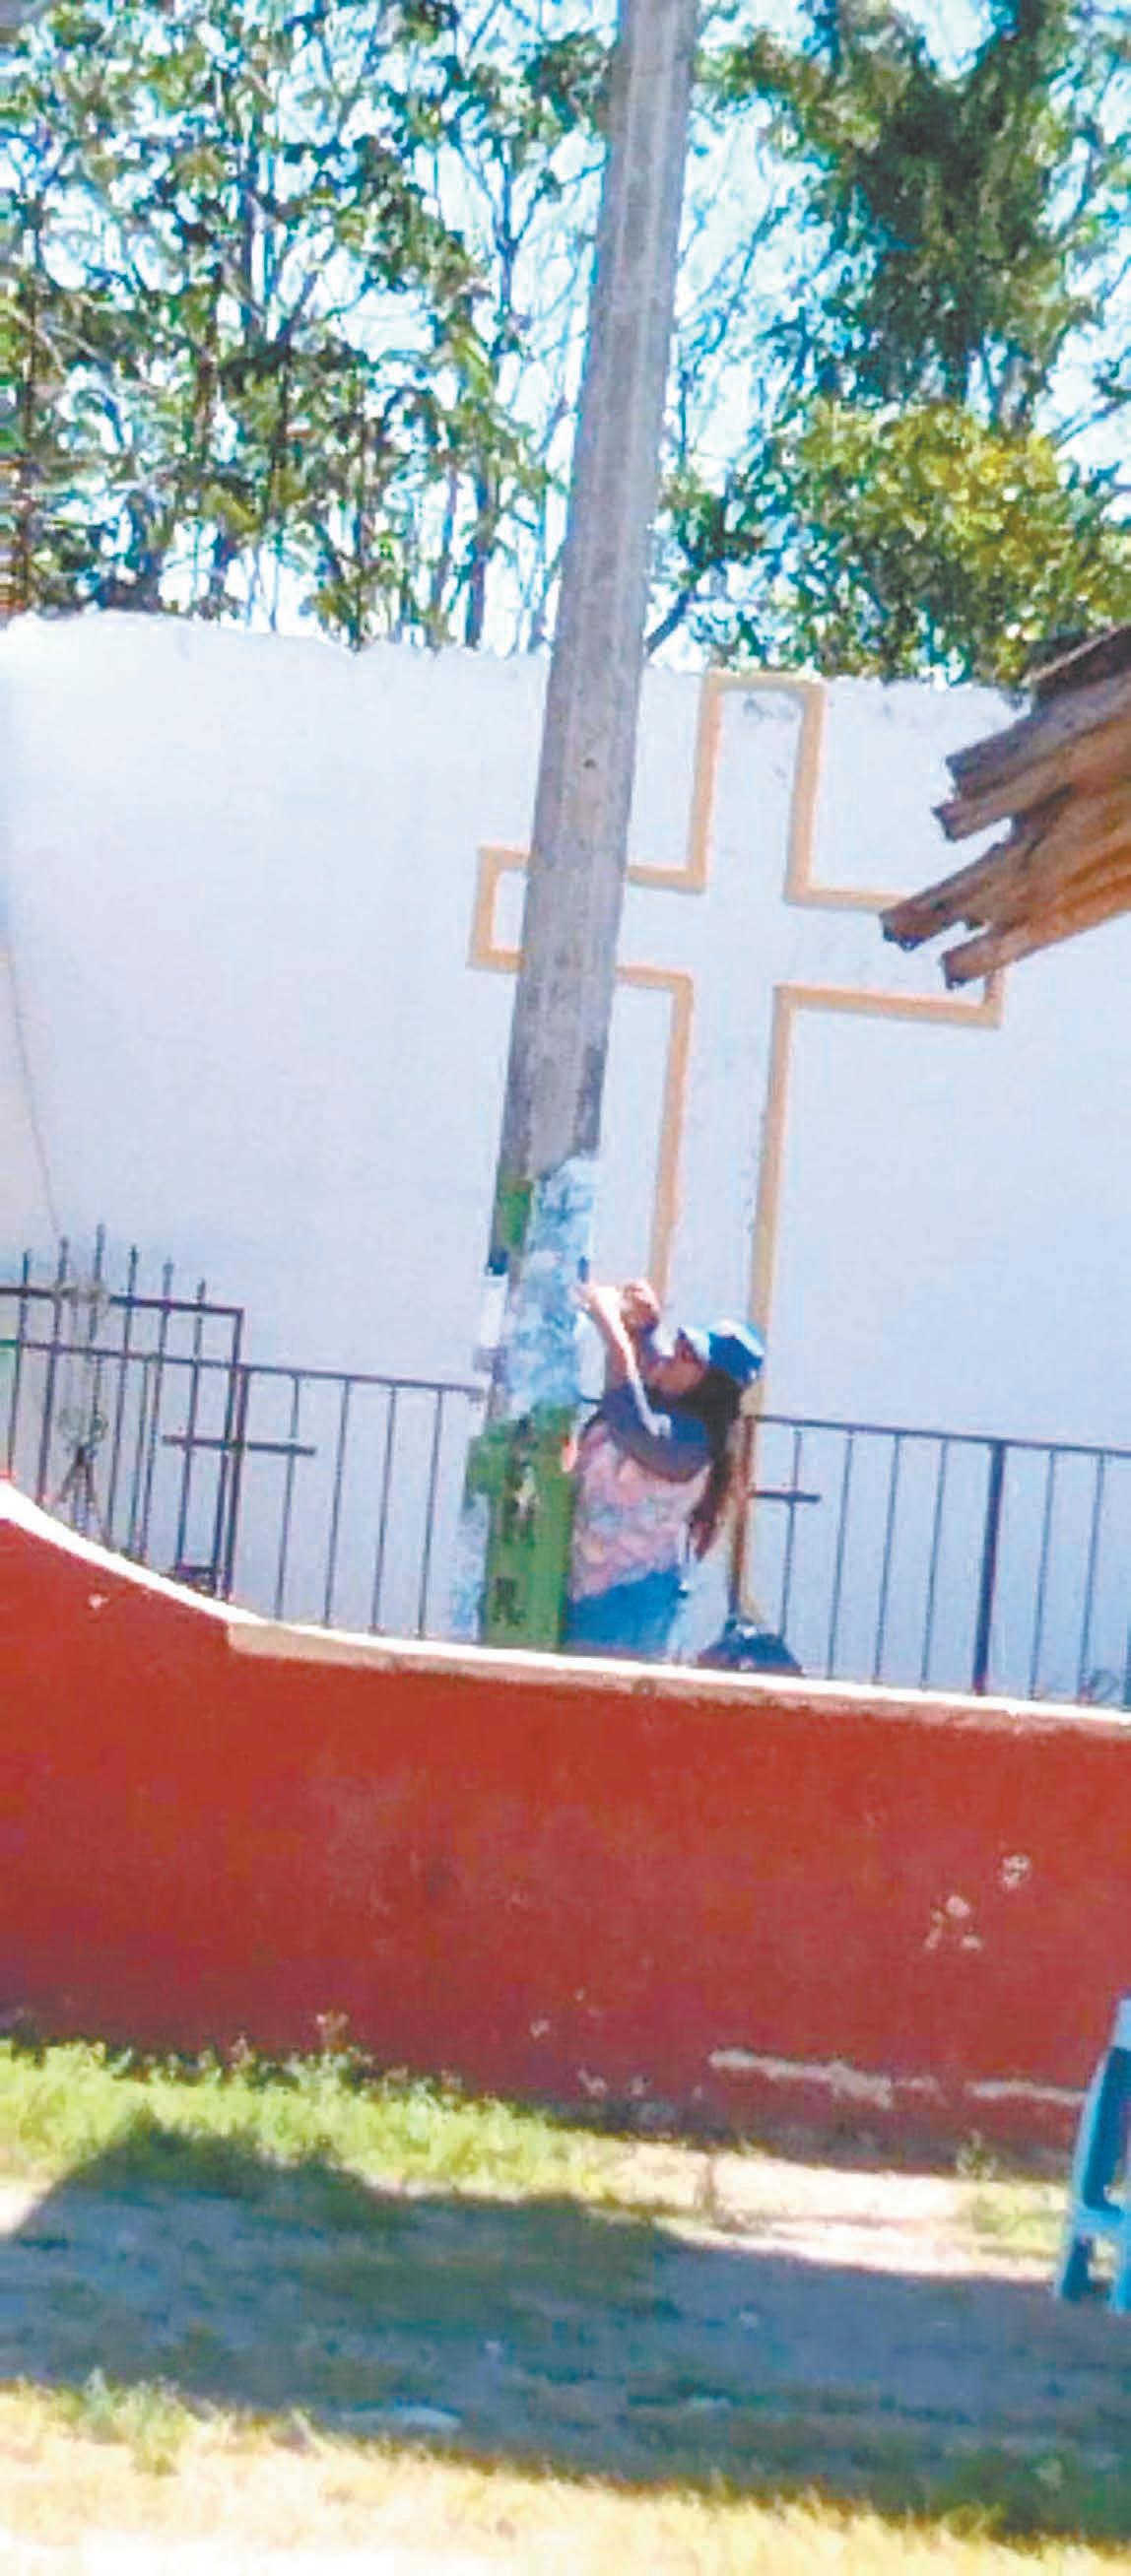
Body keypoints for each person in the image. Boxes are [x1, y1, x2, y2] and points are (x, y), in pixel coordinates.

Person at [564, 1277, 765, 1661]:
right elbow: (645, 1376)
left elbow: (631, 1419)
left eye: (687, 1354)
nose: (672, 1355)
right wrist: (644, 1329)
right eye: (679, 1343)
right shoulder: (665, 1404)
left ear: (710, 1385)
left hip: (628, 1608)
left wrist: (610, 1326)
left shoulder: (690, 1443)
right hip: (589, 1592)